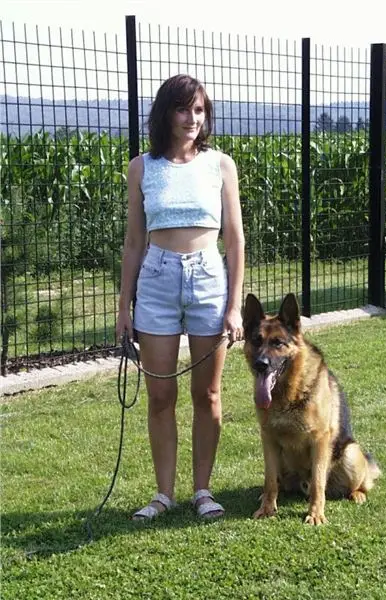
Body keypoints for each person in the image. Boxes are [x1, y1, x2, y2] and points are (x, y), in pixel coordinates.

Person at [115, 74, 245, 520]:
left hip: (208, 279)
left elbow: (234, 239)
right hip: (156, 282)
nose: (192, 119)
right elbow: (134, 242)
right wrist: (123, 307)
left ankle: (203, 491)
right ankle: (163, 495)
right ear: (165, 113)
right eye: (183, 109)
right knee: (160, 396)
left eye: (200, 110)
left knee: (207, 393)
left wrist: (234, 306)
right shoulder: (141, 168)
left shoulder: (220, 165)